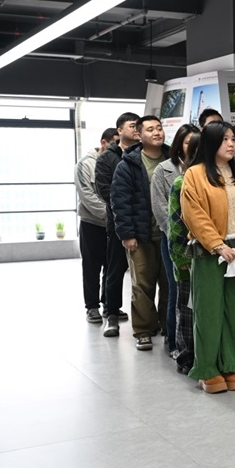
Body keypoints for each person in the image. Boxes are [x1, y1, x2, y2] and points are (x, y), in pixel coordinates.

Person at [181, 122, 235, 393]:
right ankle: (207, 369)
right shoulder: (194, 174)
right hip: (209, 253)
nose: (231, 144)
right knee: (208, 312)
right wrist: (217, 245)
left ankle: (232, 364)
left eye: (232, 139)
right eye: (224, 139)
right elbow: (194, 214)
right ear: (210, 142)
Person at [111, 115, 171, 351]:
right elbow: (120, 202)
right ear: (139, 134)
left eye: (159, 128)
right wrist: (127, 234)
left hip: (168, 234)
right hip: (141, 235)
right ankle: (144, 331)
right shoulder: (128, 164)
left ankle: (168, 326)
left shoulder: (173, 159)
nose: (157, 133)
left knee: (169, 284)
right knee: (143, 285)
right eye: (150, 129)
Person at [151, 124, 200, 357]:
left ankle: (196, 342)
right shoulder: (164, 170)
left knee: (196, 293)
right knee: (176, 290)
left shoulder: (204, 169)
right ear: (179, 144)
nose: (193, 146)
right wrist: (180, 235)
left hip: (202, 242)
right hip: (174, 239)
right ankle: (174, 342)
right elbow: (161, 209)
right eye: (188, 142)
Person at [95, 112, 139, 336]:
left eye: (138, 125)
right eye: (132, 126)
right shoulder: (107, 158)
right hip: (118, 223)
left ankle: (149, 320)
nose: (136, 129)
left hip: (143, 222)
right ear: (119, 130)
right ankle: (111, 314)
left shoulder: (144, 154)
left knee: (147, 274)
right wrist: (125, 208)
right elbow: (104, 190)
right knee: (115, 270)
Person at [76, 127, 118, 323]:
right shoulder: (85, 164)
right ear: (104, 142)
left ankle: (110, 305)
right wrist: (111, 214)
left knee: (111, 267)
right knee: (91, 267)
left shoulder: (118, 161)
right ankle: (92, 307)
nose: (117, 147)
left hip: (113, 224)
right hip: (92, 223)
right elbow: (87, 195)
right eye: (114, 143)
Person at [167, 131, 201, 375]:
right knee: (187, 309)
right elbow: (176, 227)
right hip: (187, 258)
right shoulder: (182, 182)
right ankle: (186, 356)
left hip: (211, 257)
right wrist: (181, 259)